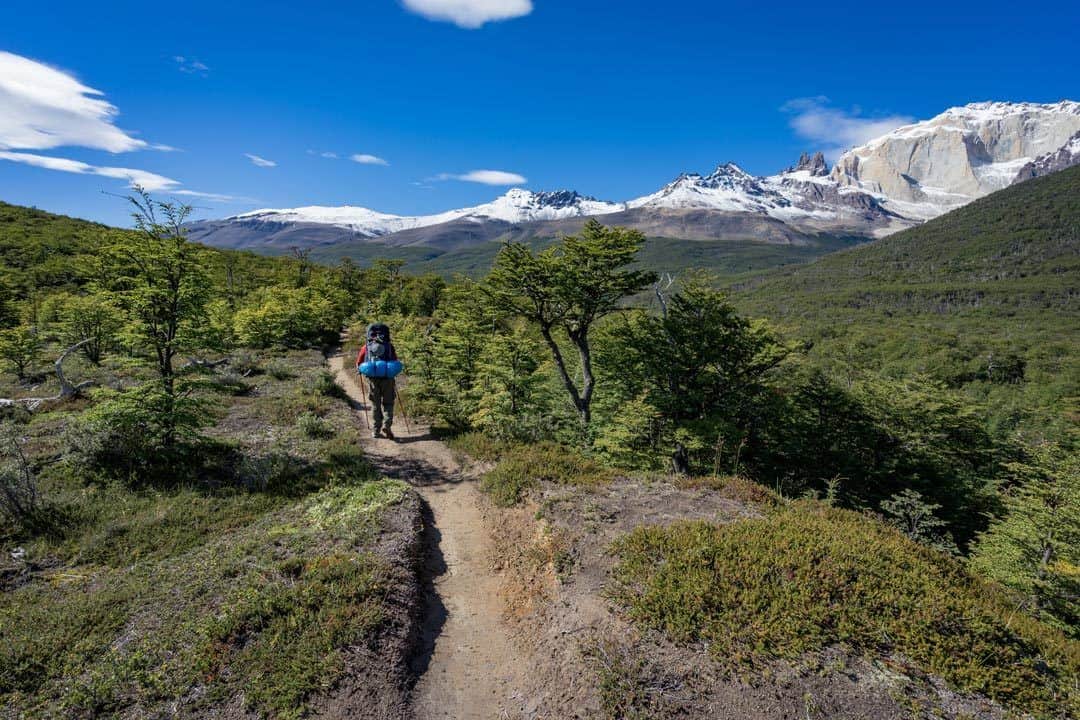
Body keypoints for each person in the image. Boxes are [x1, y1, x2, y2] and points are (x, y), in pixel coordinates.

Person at [356, 323, 399, 439]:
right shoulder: (389, 346)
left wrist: (359, 370)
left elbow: (359, 362)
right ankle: (387, 425)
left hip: (373, 379)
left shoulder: (366, 347)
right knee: (389, 403)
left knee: (375, 404)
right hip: (388, 379)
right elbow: (394, 360)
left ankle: (376, 430)